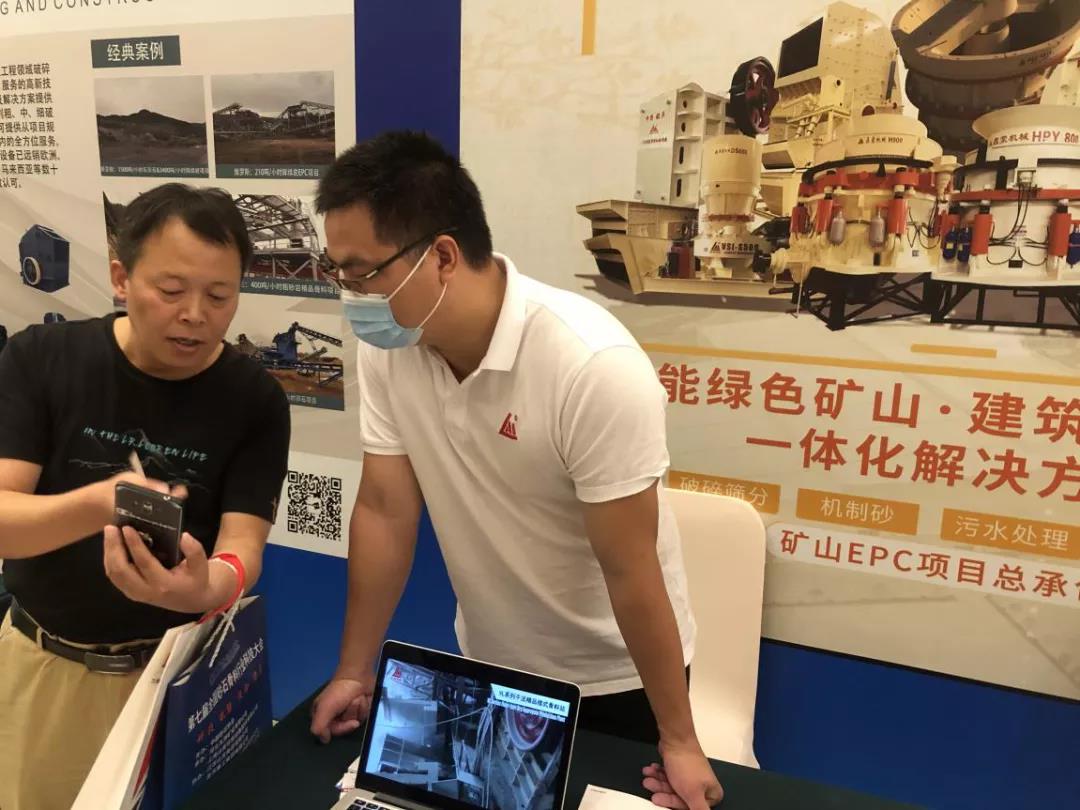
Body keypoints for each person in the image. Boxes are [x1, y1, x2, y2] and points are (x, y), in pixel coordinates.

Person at [308, 132, 724, 810]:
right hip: (489, 665)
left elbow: (630, 568)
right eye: (337, 272)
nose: (349, 295)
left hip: (613, 677)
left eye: (360, 273)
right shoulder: (391, 348)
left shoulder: (591, 367)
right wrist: (354, 671)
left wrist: (678, 738)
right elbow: (385, 510)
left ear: (442, 256)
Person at [0, 183, 291, 810]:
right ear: (120, 277)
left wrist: (205, 589)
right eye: (171, 290)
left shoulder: (254, 400)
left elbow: (243, 547)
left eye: (220, 296)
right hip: (47, 665)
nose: (195, 314)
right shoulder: (42, 358)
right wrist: (100, 504)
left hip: (180, 683)